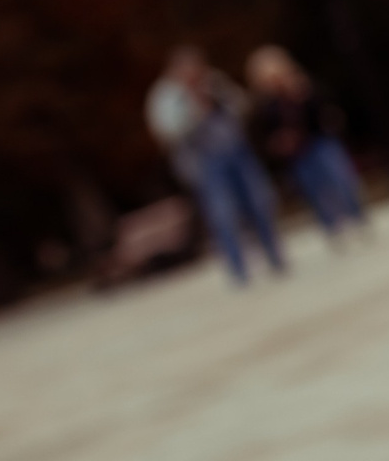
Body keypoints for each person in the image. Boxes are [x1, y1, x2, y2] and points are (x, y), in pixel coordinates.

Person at [145, 44, 285, 283]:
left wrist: (218, 98)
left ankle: (274, 256)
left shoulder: (214, 81)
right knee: (223, 215)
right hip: (206, 163)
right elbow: (168, 132)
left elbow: (242, 105)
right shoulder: (166, 95)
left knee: (260, 202)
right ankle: (238, 269)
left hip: (237, 153)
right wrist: (194, 108)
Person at [245, 45, 368, 243]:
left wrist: (303, 96)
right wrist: (277, 143)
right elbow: (261, 134)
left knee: (342, 180)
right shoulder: (264, 105)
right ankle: (332, 227)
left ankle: (357, 217)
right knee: (314, 192)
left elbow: (326, 107)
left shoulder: (302, 86)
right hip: (297, 154)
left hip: (320, 140)